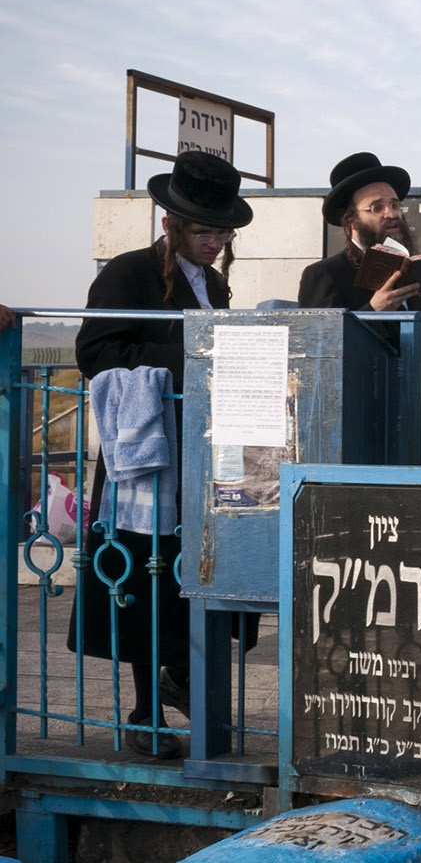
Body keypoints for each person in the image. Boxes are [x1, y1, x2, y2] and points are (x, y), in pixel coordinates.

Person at [73, 150, 252, 759]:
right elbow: (95, 354)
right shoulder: (127, 274)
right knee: (146, 581)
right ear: (171, 224)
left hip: (201, 455)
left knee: (195, 576)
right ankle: (145, 718)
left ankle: (181, 678)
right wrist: (188, 360)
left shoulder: (215, 283)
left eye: (223, 231)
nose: (216, 241)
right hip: (146, 459)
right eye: (205, 230)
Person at [297, 152, 421, 460]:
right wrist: (372, 312)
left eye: (394, 204)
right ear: (351, 222)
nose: (391, 213)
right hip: (366, 434)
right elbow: (318, 362)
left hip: (418, 433)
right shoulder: (324, 275)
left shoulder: (407, 271)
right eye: (377, 207)